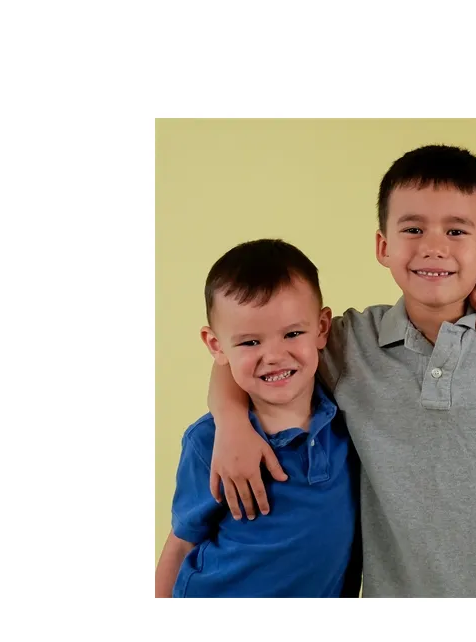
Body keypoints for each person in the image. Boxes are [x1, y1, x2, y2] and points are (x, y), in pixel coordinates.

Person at [208, 145, 476, 597]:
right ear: (383, 246)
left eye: (456, 231)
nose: (433, 247)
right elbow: (253, 346)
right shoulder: (352, 344)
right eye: (413, 229)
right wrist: (231, 424)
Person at [155, 239, 362, 597]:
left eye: (292, 334)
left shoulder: (349, 420)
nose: (274, 355)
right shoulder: (208, 442)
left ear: (322, 328)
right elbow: (182, 541)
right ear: (215, 345)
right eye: (250, 342)